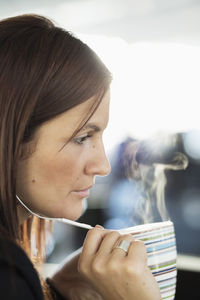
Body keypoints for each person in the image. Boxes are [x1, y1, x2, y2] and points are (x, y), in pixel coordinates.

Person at [0, 14, 161, 300]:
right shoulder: (7, 272)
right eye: (82, 137)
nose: (103, 166)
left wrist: (58, 290)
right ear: (9, 135)